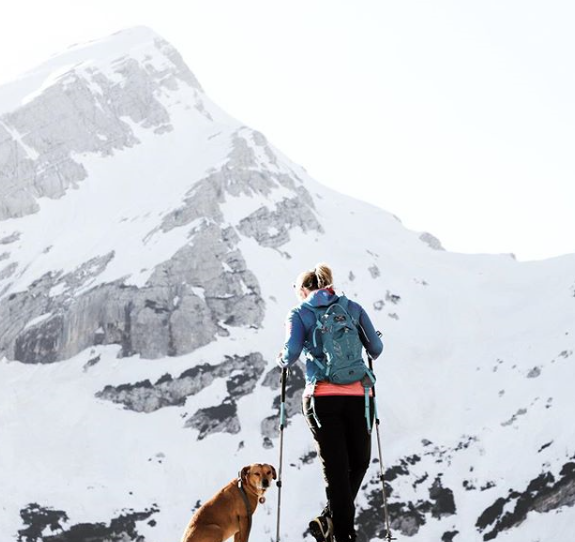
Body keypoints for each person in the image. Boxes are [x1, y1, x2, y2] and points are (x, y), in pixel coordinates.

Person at [277, 263, 384, 542]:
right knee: (359, 462)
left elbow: (290, 354)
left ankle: (339, 530)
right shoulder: (352, 307)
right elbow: (376, 348)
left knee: (336, 469)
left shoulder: (299, 313)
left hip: (322, 398)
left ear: (303, 291)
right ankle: (335, 524)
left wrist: (281, 358)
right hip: (358, 397)